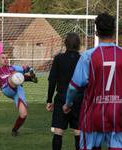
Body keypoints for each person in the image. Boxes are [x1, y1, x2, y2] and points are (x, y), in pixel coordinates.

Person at [63, 13, 122, 150]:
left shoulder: (88, 56)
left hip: (93, 114)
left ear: (96, 32)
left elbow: (74, 87)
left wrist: (67, 104)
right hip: (118, 114)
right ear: (114, 31)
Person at [46, 32, 83, 150]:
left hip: (62, 97)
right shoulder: (83, 59)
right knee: (78, 131)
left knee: (58, 131)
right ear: (79, 45)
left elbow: (52, 80)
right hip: (78, 98)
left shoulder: (59, 58)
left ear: (65, 43)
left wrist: (49, 100)